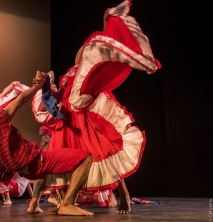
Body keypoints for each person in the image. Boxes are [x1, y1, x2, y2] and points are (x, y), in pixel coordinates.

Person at [30, 0, 161, 214]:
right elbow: (59, 96)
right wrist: (46, 87)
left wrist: (106, 24)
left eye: (86, 53)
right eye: (81, 53)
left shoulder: (88, 75)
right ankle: (65, 202)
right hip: (67, 122)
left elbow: (102, 56)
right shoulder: (68, 75)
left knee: (103, 152)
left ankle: (124, 195)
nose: (83, 55)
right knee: (63, 158)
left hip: (86, 119)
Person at [0, 71, 94, 217]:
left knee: (50, 170)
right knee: (85, 157)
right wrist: (37, 86)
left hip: (26, 170)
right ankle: (67, 204)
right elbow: (20, 100)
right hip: (37, 159)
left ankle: (34, 204)